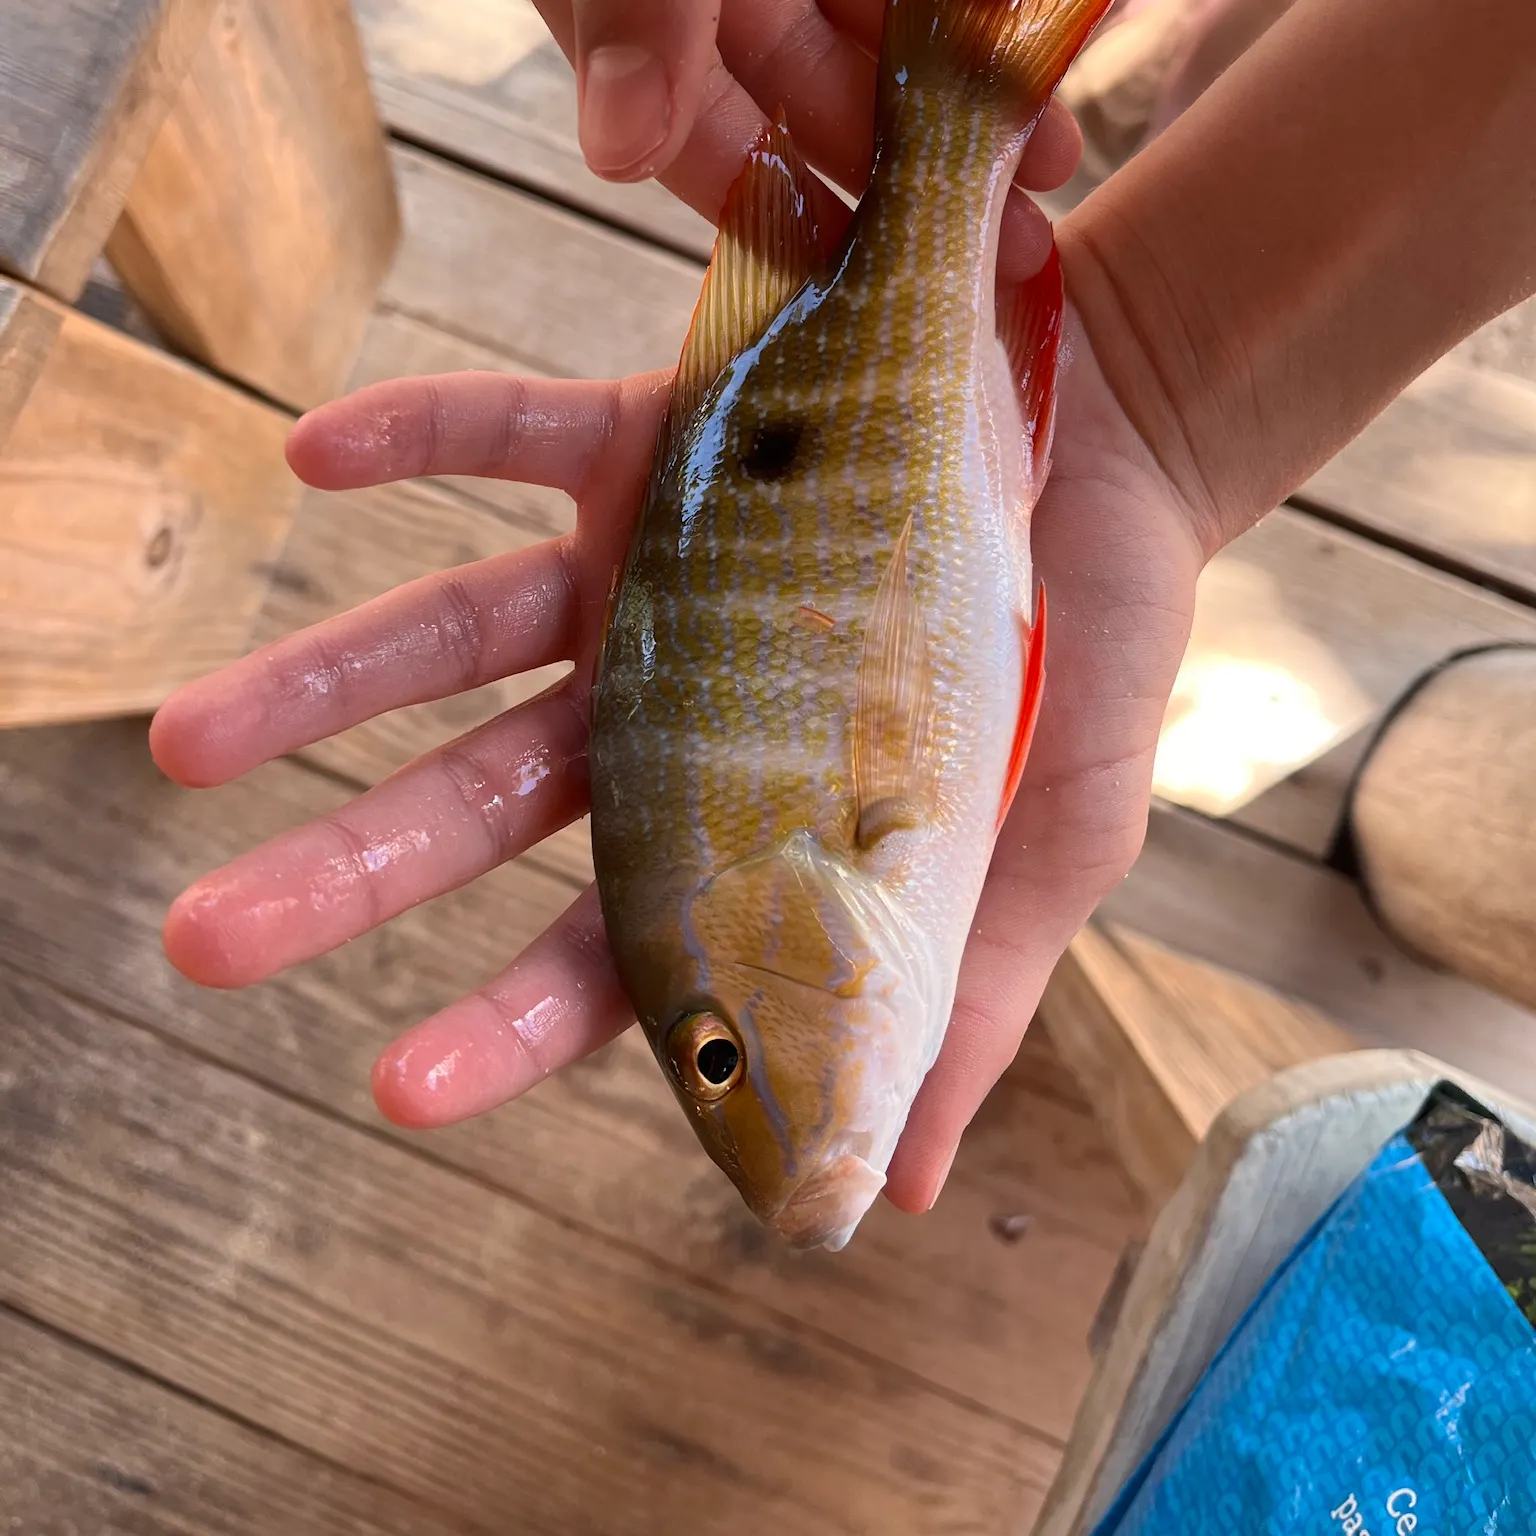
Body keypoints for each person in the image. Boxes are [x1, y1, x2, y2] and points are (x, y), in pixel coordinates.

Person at [150, 0, 1536, 1220]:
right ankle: (1135, 74)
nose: (734, 1085)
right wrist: (1169, 371)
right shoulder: (842, 881)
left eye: (719, 1056)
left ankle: (1103, 76)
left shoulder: (864, 853)